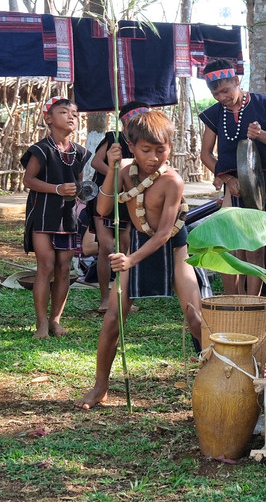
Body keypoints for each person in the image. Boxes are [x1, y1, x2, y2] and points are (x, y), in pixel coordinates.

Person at [75, 110, 205, 409]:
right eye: (146, 150)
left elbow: (164, 234)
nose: (154, 157)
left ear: (170, 147)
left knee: (195, 318)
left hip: (174, 249)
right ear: (131, 146)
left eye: (161, 150)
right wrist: (111, 168)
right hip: (137, 243)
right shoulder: (123, 171)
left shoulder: (172, 181)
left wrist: (131, 260)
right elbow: (103, 210)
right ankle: (100, 386)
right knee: (112, 318)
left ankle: (217, 378)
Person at [199, 58, 266, 295]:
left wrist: (261, 135)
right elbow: (205, 154)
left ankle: (252, 302)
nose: (221, 98)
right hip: (233, 182)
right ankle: (233, 300)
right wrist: (227, 179)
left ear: (237, 81)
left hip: (264, 180)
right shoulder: (214, 114)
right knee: (229, 245)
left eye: (225, 91)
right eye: (216, 94)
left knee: (255, 244)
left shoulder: (264, 104)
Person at [21, 97, 91, 338]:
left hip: (68, 216)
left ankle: (55, 321)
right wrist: (58, 189)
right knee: (46, 266)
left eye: (75, 113)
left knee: (63, 268)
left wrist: (80, 191)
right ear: (48, 119)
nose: (71, 116)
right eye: (64, 112)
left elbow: (78, 182)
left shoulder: (79, 152)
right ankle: (41, 323)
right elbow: (28, 180)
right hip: (43, 215)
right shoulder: (41, 149)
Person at [90, 102, 150, 312]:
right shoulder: (113, 138)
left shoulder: (143, 144)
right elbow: (96, 162)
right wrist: (116, 175)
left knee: (124, 249)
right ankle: (105, 298)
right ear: (125, 122)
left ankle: (121, 296)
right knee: (106, 247)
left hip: (127, 200)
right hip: (105, 198)